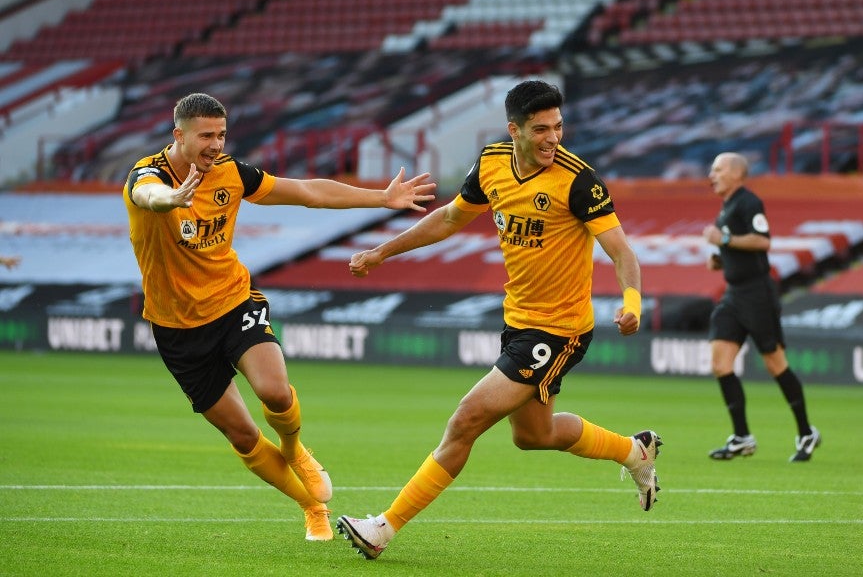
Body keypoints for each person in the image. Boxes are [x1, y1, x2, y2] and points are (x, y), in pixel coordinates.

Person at [336, 80, 662, 560]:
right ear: (514, 130)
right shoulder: (491, 163)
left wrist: (632, 302)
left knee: (465, 420)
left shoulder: (579, 180)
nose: (553, 138)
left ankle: (383, 528)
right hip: (519, 322)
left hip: (559, 330)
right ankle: (636, 452)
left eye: (559, 126)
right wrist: (383, 251)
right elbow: (450, 218)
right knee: (534, 436)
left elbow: (622, 253)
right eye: (541, 129)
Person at [123, 92, 435, 542]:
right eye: (205, 136)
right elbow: (145, 194)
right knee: (244, 436)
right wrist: (171, 198)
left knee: (275, 392)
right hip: (177, 328)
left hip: (232, 302)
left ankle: (295, 450)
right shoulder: (147, 175)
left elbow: (307, 191)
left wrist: (380, 198)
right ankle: (312, 507)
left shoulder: (231, 173)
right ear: (179, 135)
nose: (215, 144)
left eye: (221, 134)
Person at [702, 152, 820, 462]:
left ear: (737, 174)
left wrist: (724, 239)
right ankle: (742, 437)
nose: (711, 175)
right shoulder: (727, 207)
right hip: (733, 294)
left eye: (717, 170)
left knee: (774, 363)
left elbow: (763, 241)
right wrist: (721, 260)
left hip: (757, 294)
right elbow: (736, 248)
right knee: (720, 362)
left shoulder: (748, 202)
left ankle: (806, 432)